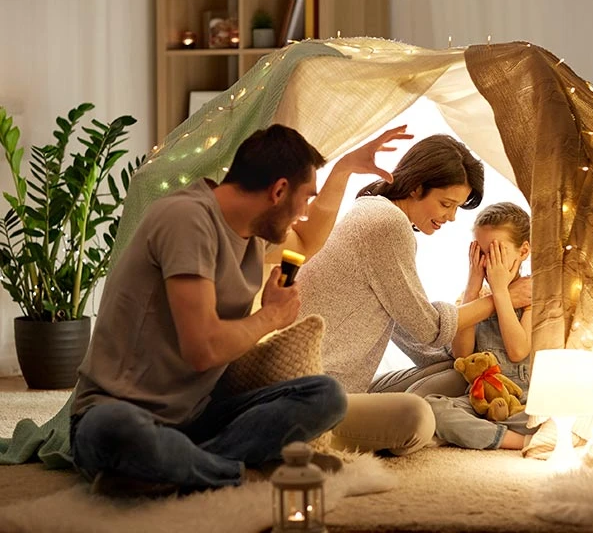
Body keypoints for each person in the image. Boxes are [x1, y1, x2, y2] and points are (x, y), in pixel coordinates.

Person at [70, 123, 409, 497]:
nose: (305, 210)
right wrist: (270, 318)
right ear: (278, 190)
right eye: (306, 197)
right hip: (116, 411)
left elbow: (309, 239)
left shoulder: (249, 233)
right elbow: (203, 350)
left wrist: (343, 169)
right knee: (117, 430)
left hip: (195, 417)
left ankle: (181, 468)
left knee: (325, 396)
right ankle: (227, 472)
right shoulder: (186, 219)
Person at [296, 135, 532, 456]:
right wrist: (500, 298)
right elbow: (429, 328)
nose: (450, 217)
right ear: (416, 187)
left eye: (456, 208)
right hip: (313, 392)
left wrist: (460, 363)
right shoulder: (387, 224)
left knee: (454, 371)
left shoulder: (374, 212)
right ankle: (335, 437)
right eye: (446, 204)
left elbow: (409, 327)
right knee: (418, 418)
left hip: (336, 385)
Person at [426, 202, 540, 450]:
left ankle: (496, 434)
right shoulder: (477, 299)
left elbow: (518, 351)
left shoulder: (532, 293)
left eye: (497, 251)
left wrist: (501, 292)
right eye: (482, 252)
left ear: (523, 251)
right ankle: (515, 441)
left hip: (522, 403)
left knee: (555, 416)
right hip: (481, 401)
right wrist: (473, 287)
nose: (489, 262)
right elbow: (463, 355)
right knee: (431, 408)